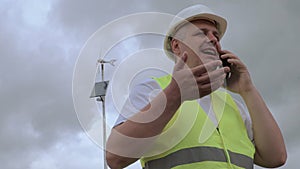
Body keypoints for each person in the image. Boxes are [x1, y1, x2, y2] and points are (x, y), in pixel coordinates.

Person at [106, 4, 287, 169]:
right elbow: (115, 157)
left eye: (216, 35)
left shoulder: (233, 105)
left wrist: (248, 90)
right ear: (176, 46)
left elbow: (276, 158)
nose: (213, 39)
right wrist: (176, 93)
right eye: (201, 33)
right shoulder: (152, 90)